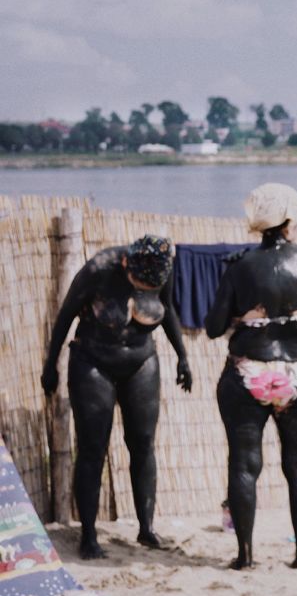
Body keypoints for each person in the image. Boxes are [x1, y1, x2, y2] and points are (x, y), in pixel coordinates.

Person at [41, 234, 192, 559]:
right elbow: (65, 315)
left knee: (142, 443)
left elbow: (169, 313)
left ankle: (146, 527)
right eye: (136, 281)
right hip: (94, 361)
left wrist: (183, 356)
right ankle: (89, 536)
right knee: (93, 447)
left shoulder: (160, 270)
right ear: (126, 263)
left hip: (141, 362)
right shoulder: (98, 269)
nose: (142, 287)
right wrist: (50, 365)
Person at [205, 183, 297, 570]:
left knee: (243, 464)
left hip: (249, 370)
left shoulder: (239, 266)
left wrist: (242, 315)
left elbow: (212, 326)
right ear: (290, 218)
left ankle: (245, 556)